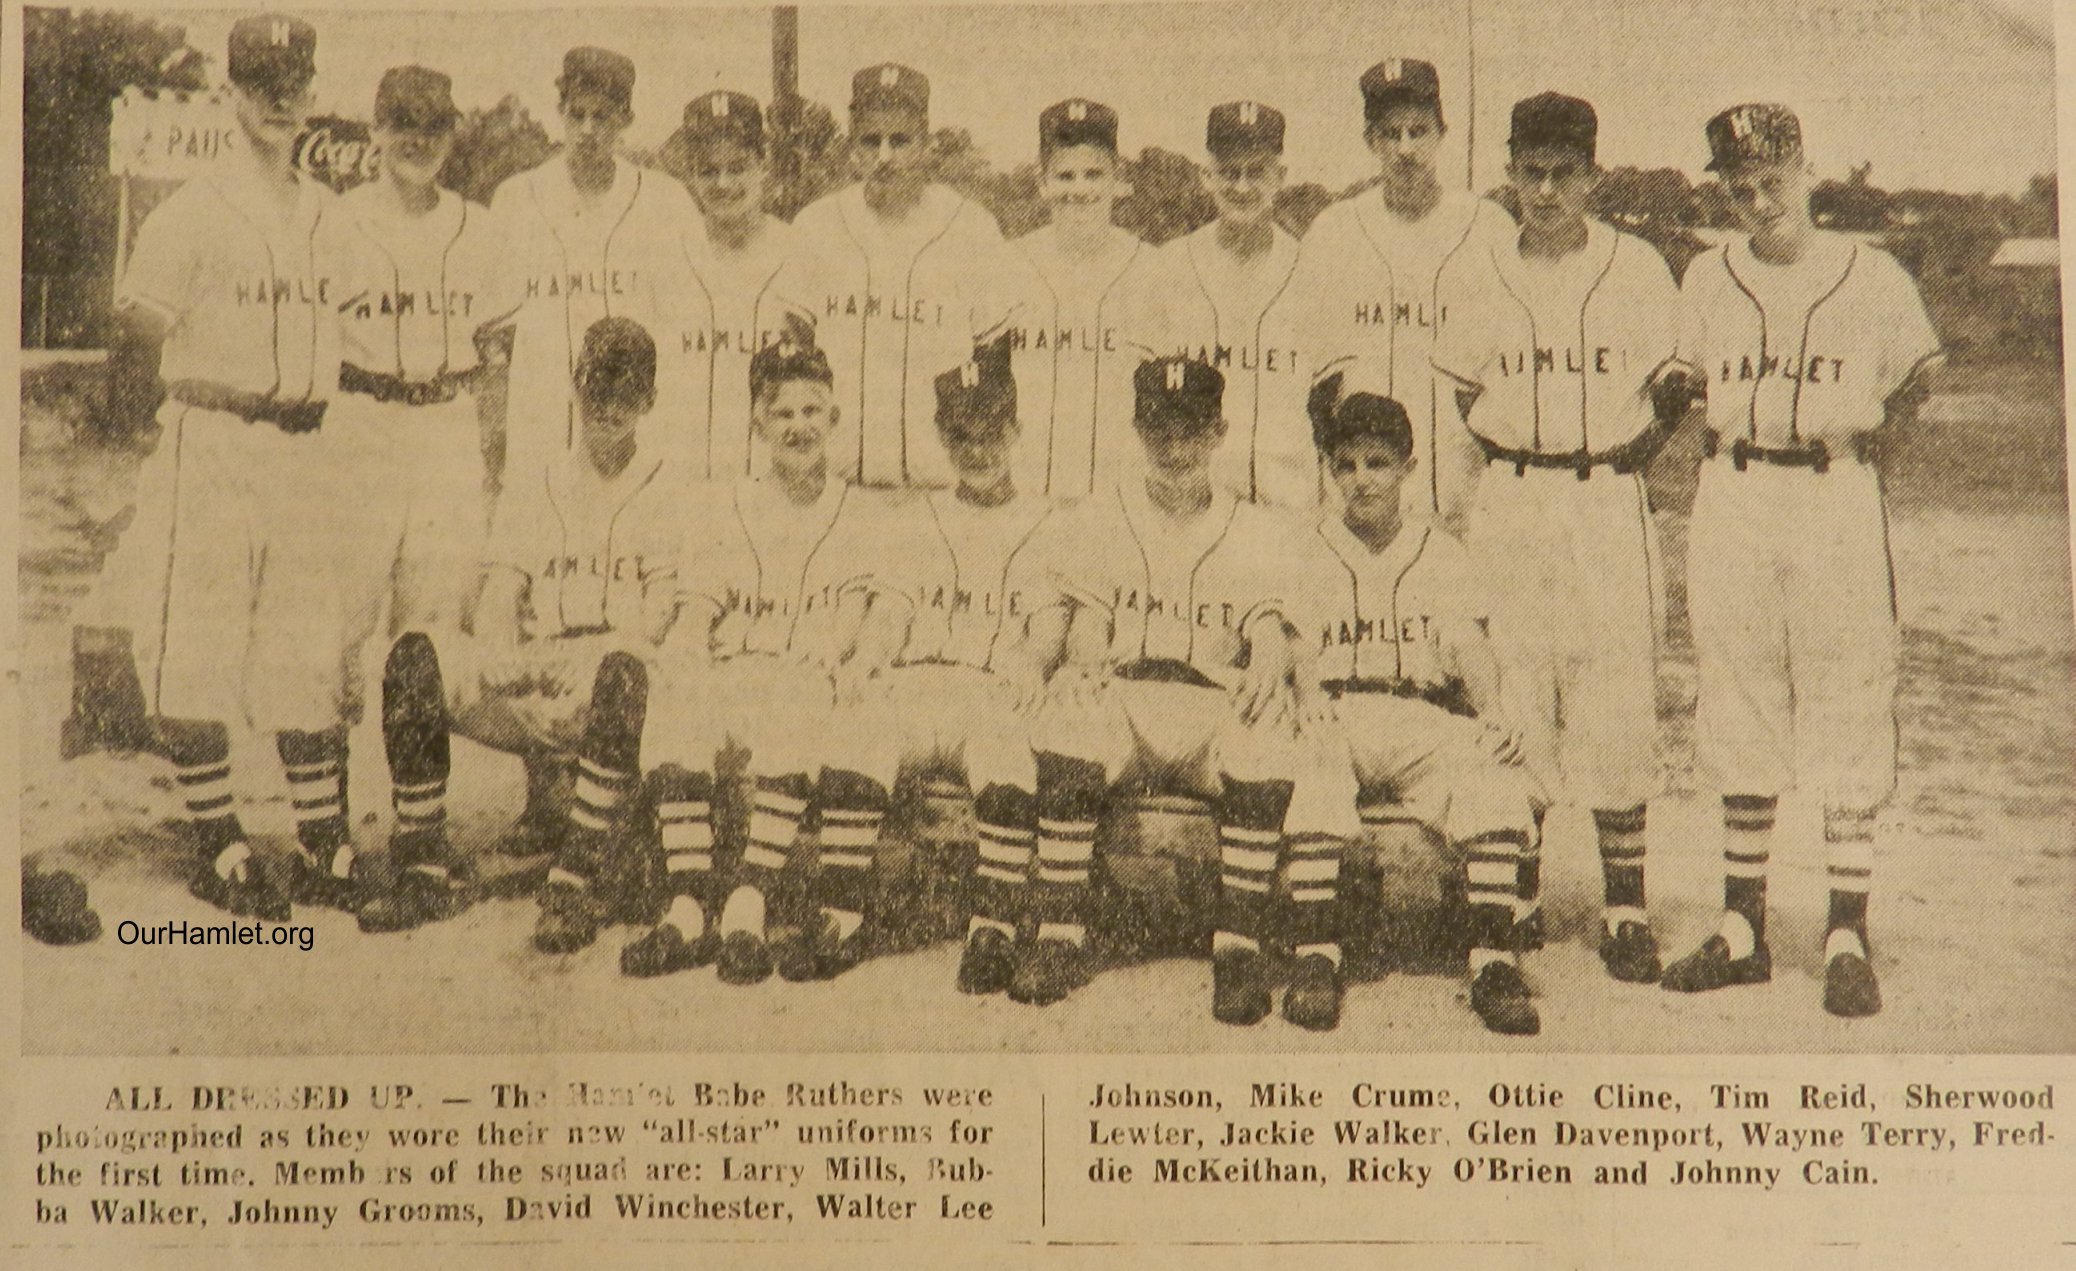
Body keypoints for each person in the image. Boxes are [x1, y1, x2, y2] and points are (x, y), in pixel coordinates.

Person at [1660, 103, 1943, 1018]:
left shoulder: (1873, 274)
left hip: (1832, 487)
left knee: (1847, 692)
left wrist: (1855, 461)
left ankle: (1845, 930)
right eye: (1738, 187)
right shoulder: (1708, 275)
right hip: (1735, 490)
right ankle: (1742, 926)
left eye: (1771, 179)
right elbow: (1684, 377)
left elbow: (1918, 381)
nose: (1757, 199)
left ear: (1804, 170)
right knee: (1737, 690)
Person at [83, 14, 350, 921]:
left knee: (306, 645)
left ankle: (322, 841)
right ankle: (220, 841)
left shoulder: (325, 211)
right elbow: (136, 339)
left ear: (312, 90)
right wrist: (139, 471)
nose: (282, 97)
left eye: (296, 79)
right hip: (216, 435)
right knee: (198, 643)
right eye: (263, 80)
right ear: (230, 91)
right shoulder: (192, 208)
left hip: (308, 447)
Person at [1432, 92, 1689, 984]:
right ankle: (1525, 888)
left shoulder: (1641, 267)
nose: (1545, 191)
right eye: (1529, 172)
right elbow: (1466, 396)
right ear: (1508, 172)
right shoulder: (1475, 270)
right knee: (1518, 683)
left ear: (1592, 176)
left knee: (1616, 687)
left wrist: (1623, 461)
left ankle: (1625, 905)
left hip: (1604, 493)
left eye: (1563, 173)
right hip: (1512, 490)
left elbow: (1672, 393)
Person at [1023, 356, 1350, 1027]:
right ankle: (1060, 934)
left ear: (1219, 431)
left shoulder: (1254, 525)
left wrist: (1267, 654)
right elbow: (1088, 623)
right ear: (1138, 428)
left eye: (1192, 429)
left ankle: (1237, 946)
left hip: (1208, 705)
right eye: (1160, 428)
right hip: (1133, 700)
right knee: (1073, 710)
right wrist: (1083, 665)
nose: (1175, 446)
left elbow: (1268, 622)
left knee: (1265, 724)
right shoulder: (1100, 513)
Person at [366, 317, 683, 941]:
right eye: (597, 389)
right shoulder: (538, 480)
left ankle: (577, 879)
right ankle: (423, 863)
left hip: (612, 675)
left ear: (648, 400)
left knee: (624, 673)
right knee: (414, 656)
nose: (608, 407)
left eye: (625, 393)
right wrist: (499, 653)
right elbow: (501, 589)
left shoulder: (670, 483)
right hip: (537, 669)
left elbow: (661, 608)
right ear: (575, 387)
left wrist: (597, 655)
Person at [617, 329, 908, 983]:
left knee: (795, 698)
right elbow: (697, 606)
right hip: (735, 672)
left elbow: (884, 609)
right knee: (676, 695)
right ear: (758, 422)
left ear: (833, 417)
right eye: (781, 412)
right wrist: (685, 650)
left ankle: (747, 901)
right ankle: (689, 906)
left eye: (810, 411)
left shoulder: (863, 513)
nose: (797, 426)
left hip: (808, 681)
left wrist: (861, 657)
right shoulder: (728, 506)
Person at [1288, 365, 1545, 1035]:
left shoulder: (1441, 550)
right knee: (1314, 763)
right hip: (1339, 707)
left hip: (1418, 711)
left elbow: (1468, 646)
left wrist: (1491, 711)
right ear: (1330, 470)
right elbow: (1296, 641)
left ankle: (1492, 959)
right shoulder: (1308, 547)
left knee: (1487, 767)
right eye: (1345, 465)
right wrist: (1307, 691)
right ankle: (1316, 954)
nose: (1362, 478)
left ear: (1408, 465)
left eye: (1378, 462)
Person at [812, 333, 1068, 991]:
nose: (976, 449)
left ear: (1016, 429)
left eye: (989, 432)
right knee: (860, 716)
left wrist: (1033, 661)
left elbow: (1049, 624)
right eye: (960, 434)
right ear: (940, 435)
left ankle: (995, 923)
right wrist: (868, 657)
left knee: (1009, 745)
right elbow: (891, 611)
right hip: (919, 679)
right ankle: (840, 910)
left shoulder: (1044, 520)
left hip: (989, 685)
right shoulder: (916, 515)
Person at [1286, 59, 1498, 534]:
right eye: (1390, 134)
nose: (1406, 149)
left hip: (1464, 487)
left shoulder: (1488, 227)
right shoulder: (1333, 231)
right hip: (1361, 495)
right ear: (1370, 141)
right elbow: (1316, 380)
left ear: (1442, 133)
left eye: (1419, 131)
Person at [789, 63, 1019, 488]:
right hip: (832, 489)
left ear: (927, 143)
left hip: (939, 488)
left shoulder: (972, 229)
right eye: (870, 141)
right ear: (852, 146)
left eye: (900, 141)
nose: (885, 157)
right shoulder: (816, 227)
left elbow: (994, 367)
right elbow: (792, 365)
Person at [488, 46, 703, 489]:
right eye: (577, 114)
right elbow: (497, 339)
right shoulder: (516, 199)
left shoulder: (667, 202)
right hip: (543, 429)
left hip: (636, 434)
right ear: (560, 112)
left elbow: (686, 331)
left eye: (602, 116)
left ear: (625, 118)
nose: (587, 130)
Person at [1140, 101, 1310, 507]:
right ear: (1207, 177)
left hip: (1287, 497)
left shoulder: (1312, 270)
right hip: (1191, 496)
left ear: (1280, 177)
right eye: (1229, 172)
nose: (1242, 187)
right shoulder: (1169, 267)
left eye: (1257, 172)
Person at [1004, 97, 1160, 499]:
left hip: (1121, 502)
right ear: (1042, 182)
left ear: (1117, 178)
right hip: (1023, 496)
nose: (1079, 189)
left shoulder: (1155, 270)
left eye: (1093, 175)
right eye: (1065, 176)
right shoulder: (1006, 265)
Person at [666, 90, 814, 481]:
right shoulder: (664, 257)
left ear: (763, 163)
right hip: (683, 489)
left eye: (738, 166)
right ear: (689, 172)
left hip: (774, 489)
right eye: (708, 170)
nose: (724, 182)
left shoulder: (801, 254)